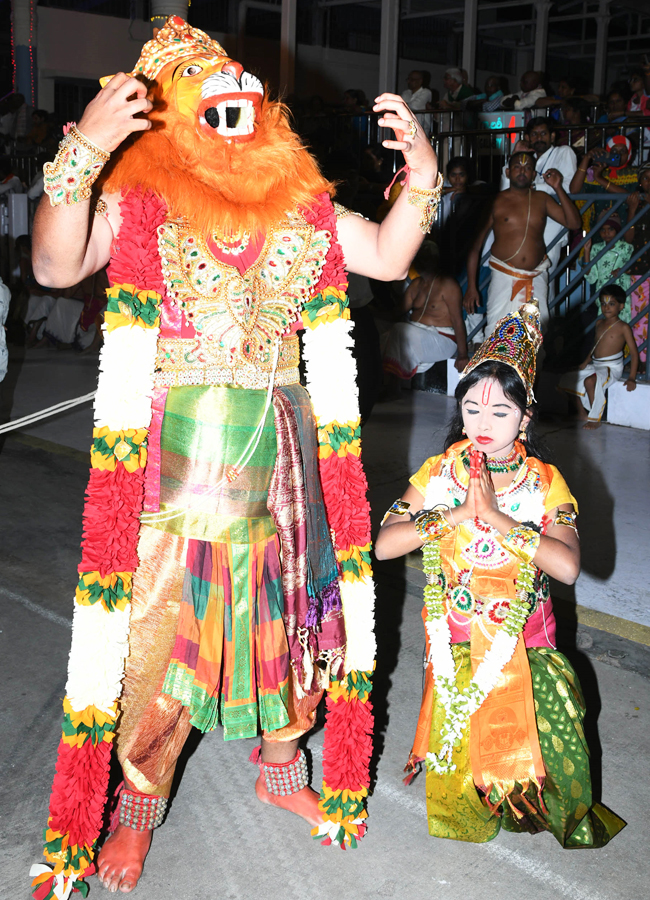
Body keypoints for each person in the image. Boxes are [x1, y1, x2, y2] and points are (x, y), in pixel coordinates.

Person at [30, 16, 441, 898]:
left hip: (289, 461)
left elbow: (388, 250)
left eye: (246, 91)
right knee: (163, 642)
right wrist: (85, 152)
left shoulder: (301, 206)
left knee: (296, 625)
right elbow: (57, 267)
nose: (240, 101)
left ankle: (281, 767)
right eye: (213, 96)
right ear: (173, 116)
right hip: (180, 466)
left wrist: (424, 178)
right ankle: (138, 810)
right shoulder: (144, 201)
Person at [375, 300, 625, 847]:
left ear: (526, 418)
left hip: (526, 640)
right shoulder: (441, 472)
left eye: (500, 414)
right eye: (470, 409)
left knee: (547, 754)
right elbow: (386, 544)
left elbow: (566, 565)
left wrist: (499, 519)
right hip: (457, 637)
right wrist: (458, 513)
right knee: (463, 758)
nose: (482, 425)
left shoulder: (543, 481)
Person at [464, 152, 581, 338]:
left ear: (534, 174)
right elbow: (475, 246)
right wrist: (471, 286)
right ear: (508, 172)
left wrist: (558, 188)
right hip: (504, 276)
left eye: (527, 168)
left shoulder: (542, 199)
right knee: (497, 333)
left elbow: (574, 223)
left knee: (535, 337)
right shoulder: (496, 201)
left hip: (536, 276)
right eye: (517, 167)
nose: (522, 171)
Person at [382, 253, 468, 387]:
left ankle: (392, 385)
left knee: (402, 330)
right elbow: (398, 311)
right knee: (381, 330)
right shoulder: (416, 284)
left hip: (441, 339)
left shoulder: (448, 284)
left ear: (435, 261)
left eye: (426, 258)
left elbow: (457, 320)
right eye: (419, 258)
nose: (422, 262)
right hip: (416, 333)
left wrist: (463, 355)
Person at [559, 284, 638, 429]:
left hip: (611, 367)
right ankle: (582, 413)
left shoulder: (623, 327)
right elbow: (594, 347)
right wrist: (584, 363)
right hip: (595, 364)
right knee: (567, 378)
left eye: (612, 304)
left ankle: (595, 418)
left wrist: (631, 377)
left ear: (621, 306)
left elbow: (633, 353)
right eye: (603, 303)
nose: (607, 307)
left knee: (590, 382)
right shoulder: (599, 323)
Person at [582, 213, 633, 320]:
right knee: (605, 322)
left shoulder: (626, 247)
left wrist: (623, 270)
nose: (606, 233)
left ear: (617, 230)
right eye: (603, 230)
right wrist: (586, 251)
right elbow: (591, 277)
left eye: (610, 229)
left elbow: (634, 267)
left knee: (624, 321)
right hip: (604, 292)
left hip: (622, 291)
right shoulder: (596, 248)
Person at [625, 166, 650, 369]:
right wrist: (632, 210)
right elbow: (628, 238)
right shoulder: (638, 203)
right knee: (640, 317)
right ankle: (641, 361)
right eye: (646, 178)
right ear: (640, 182)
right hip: (641, 268)